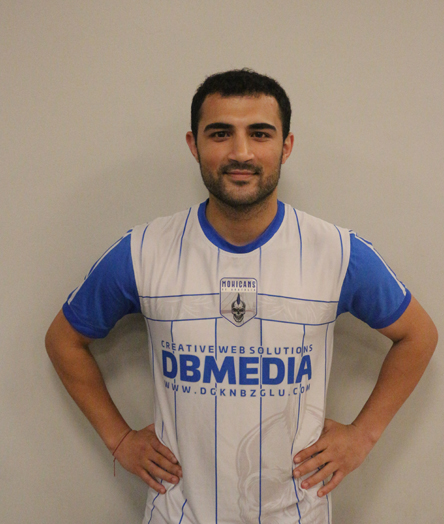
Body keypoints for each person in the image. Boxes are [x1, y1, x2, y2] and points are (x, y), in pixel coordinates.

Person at [46, 69, 437, 524]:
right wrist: (119, 440)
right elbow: (63, 341)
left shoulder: (337, 252)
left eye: (260, 133)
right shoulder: (142, 251)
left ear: (286, 146)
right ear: (194, 145)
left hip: (297, 514)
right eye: (220, 134)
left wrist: (362, 436)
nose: (241, 152)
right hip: (178, 513)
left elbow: (419, 336)